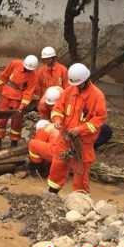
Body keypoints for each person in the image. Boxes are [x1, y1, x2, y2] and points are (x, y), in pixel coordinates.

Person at [48, 63, 107, 194]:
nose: (76, 87)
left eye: (79, 84)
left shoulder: (97, 96)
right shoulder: (69, 91)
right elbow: (58, 108)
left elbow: (99, 119)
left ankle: (80, 198)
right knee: (58, 164)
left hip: (83, 142)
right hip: (65, 138)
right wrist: (57, 120)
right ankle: (52, 191)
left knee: (81, 170)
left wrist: (80, 129)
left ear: (86, 80)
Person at [0, 55, 39, 149]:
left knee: (17, 121)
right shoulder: (15, 63)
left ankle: (14, 142)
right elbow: (5, 75)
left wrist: (23, 105)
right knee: (2, 118)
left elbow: (28, 92)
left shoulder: (33, 76)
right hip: (6, 94)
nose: (28, 70)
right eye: (26, 68)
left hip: (18, 98)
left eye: (30, 69)